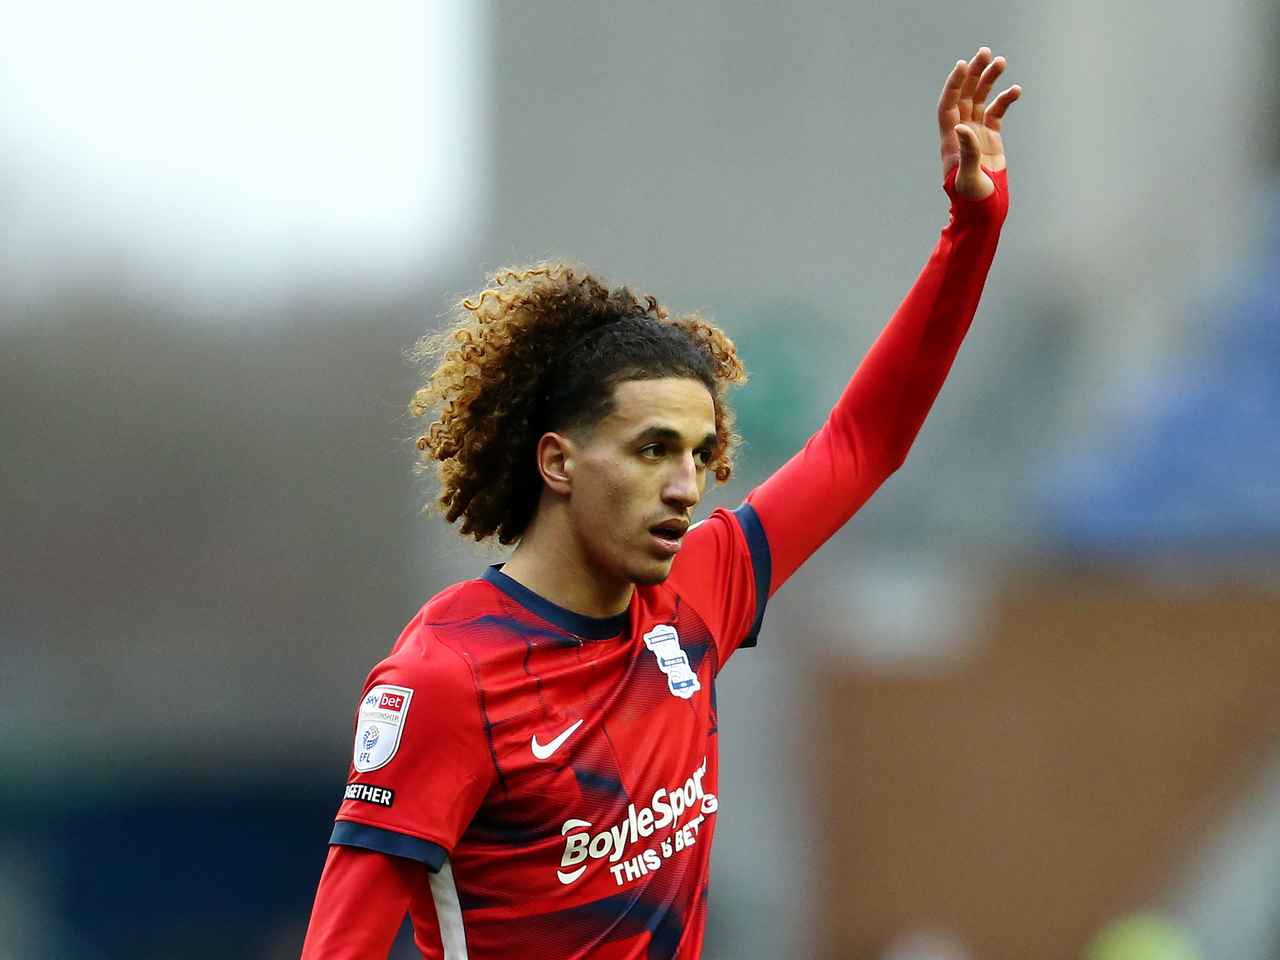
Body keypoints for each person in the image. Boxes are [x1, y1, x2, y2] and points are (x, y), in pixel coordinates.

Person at [300, 47, 1021, 960]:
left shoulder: (698, 591)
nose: (686, 484)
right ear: (558, 462)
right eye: (651, 451)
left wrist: (974, 226)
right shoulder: (447, 681)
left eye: (700, 454)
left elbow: (861, 444)